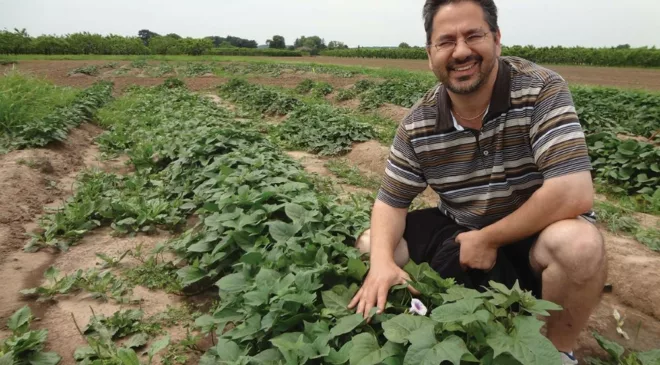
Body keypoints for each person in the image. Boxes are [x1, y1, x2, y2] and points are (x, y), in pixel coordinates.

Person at [347, 0, 607, 363]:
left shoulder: (540, 90)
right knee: (373, 243)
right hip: (462, 229)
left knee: (579, 245)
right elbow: (391, 202)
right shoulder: (417, 125)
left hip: (533, 237)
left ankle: (557, 351)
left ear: (497, 39)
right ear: (430, 53)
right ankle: (424, 308)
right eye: (446, 41)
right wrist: (380, 265)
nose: (461, 51)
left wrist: (489, 238)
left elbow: (573, 191)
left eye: (474, 36)